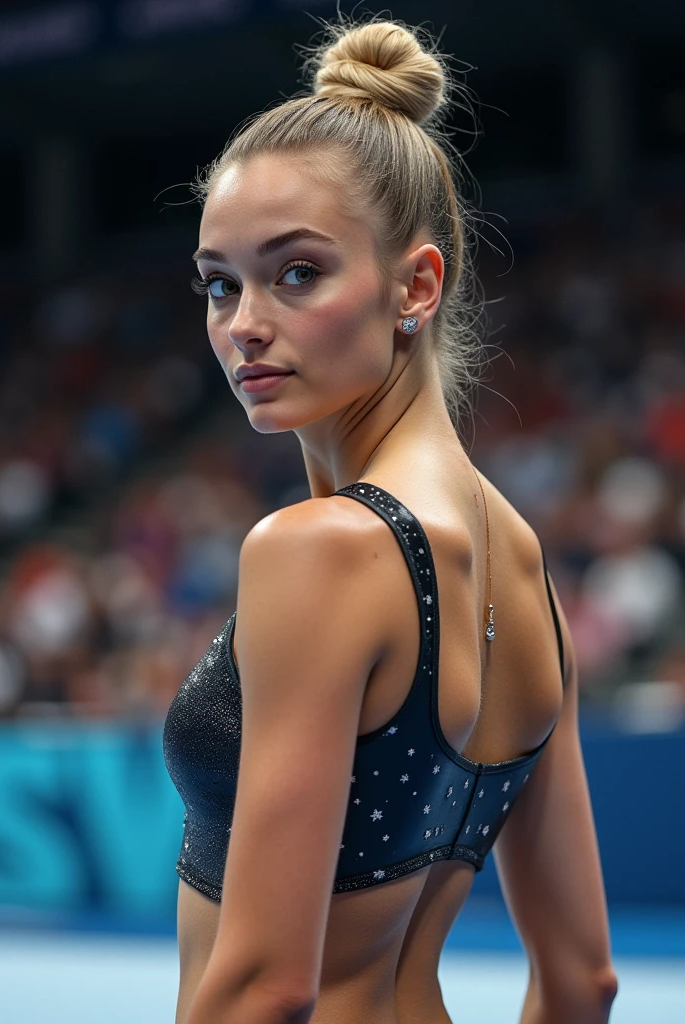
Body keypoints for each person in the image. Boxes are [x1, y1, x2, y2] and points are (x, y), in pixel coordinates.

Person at [162, 15, 617, 1024]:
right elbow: (584, 982)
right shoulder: (526, 563)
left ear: (415, 284)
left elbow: (265, 985)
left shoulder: (320, 551)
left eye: (296, 272)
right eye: (219, 283)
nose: (243, 324)